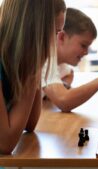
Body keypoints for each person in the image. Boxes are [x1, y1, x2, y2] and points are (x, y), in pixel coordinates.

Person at [0, 0, 66, 154]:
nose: (55, 43)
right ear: (34, 29)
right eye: (55, 32)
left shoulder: (14, 59)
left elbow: (30, 124)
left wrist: (33, 66)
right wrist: (33, 70)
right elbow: (5, 143)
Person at [42, 8, 98, 112]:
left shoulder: (61, 63)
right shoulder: (44, 59)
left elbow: (69, 74)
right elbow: (64, 101)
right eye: (83, 45)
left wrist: (62, 85)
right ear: (62, 37)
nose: (86, 52)